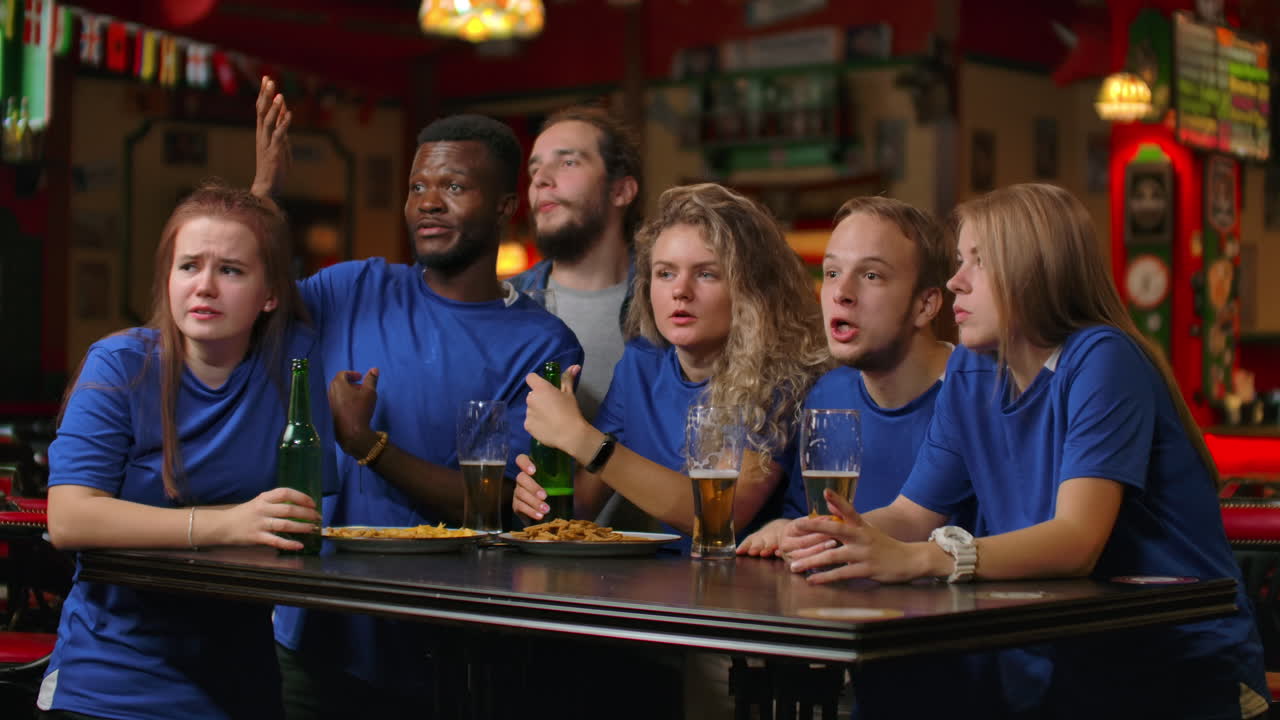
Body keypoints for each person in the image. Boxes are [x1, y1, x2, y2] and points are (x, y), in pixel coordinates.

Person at [783, 183, 1269, 718]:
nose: (954, 280)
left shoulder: (1103, 358)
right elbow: (910, 513)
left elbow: (1076, 540)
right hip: (1068, 671)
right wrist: (831, 540)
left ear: (1035, 272)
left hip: (1179, 672)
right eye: (957, 261)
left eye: (978, 262)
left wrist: (921, 557)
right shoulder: (970, 371)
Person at [253, 82, 583, 717]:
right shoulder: (353, 286)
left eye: (455, 188)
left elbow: (501, 508)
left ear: (506, 207)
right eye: (417, 188)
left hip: (454, 647)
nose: (429, 204)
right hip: (315, 636)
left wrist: (369, 447)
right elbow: (250, 296)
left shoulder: (544, 343)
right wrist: (264, 193)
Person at [38, 185, 337, 720]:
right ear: (168, 280)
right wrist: (225, 524)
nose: (204, 286)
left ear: (269, 294)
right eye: (189, 266)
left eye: (231, 271)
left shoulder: (293, 365)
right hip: (113, 679)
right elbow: (69, 516)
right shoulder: (120, 364)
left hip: (241, 681)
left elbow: (300, 516)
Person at [513, 182, 829, 546]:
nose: (680, 290)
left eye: (706, 273)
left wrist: (581, 437)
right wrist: (541, 500)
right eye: (665, 273)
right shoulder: (640, 365)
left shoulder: (783, 377)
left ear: (752, 288)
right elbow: (581, 504)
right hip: (665, 587)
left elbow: (720, 514)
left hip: (754, 591)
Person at [736, 195, 959, 558]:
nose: (841, 293)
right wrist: (782, 529)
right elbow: (806, 519)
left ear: (926, 305)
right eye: (832, 273)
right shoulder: (828, 393)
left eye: (871, 275)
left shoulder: (976, 390)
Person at [510, 106, 641, 424]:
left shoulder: (672, 301)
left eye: (568, 162)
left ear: (620, 191)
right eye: (534, 170)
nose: (541, 180)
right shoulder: (506, 304)